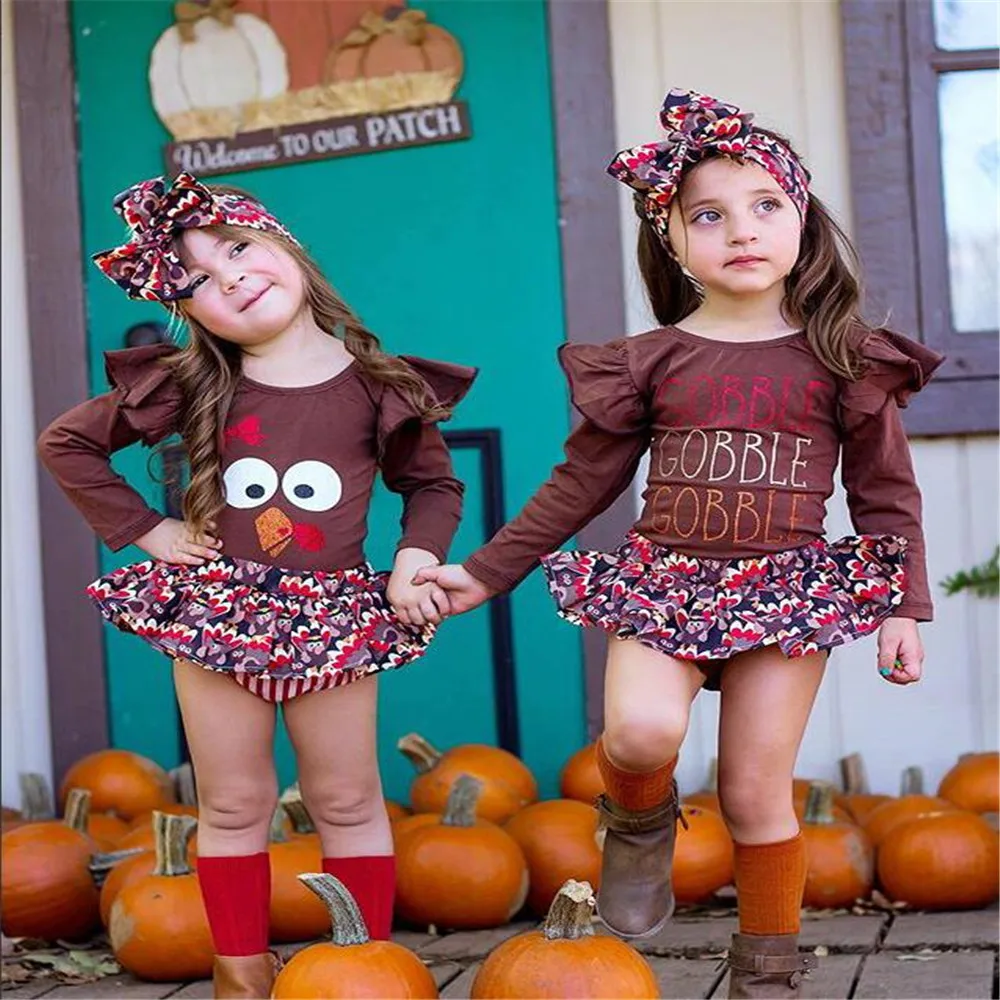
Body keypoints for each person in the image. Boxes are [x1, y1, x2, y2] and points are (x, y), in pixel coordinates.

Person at [414, 89, 942, 999]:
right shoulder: (649, 362)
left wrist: (904, 604)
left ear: (802, 219)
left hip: (786, 595)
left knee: (753, 792)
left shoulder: (844, 357)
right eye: (709, 215)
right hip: (664, 583)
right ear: (670, 239)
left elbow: (886, 494)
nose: (742, 230)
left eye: (766, 204)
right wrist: (486, 571)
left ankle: (766, 971)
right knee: (640, 732)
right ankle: (638, 823)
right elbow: (580, 482)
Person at [38, 172, 475, 998]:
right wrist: (149, 532)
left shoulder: (378, 384)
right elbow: (68, 444)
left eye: (238, 249)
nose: (231, 277)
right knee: (234, 802)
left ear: (285, 245)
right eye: (200, 279)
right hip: (218, 617)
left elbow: (432, 485)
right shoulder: (192, 382)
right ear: (191, 312)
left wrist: (415, 557)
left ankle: (363, 968)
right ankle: (240, 974)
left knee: (346, 797)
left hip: (332, 619)